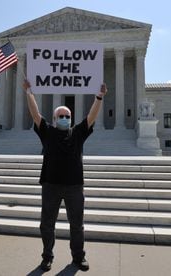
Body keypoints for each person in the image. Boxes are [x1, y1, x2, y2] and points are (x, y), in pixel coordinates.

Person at [23, 79, 107, 272]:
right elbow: (35, 114)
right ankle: (47, 257)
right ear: (54, 119)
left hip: (74, 186)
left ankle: (78, 257)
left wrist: (99, 97)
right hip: (51, 185)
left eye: (67, 116)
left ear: (71, 118)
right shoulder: (48, 132)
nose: (64, 118)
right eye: (60, 115)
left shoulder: (77, 132)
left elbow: (91, 117)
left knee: (77, 225)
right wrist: (29, 93)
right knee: (47, 225)